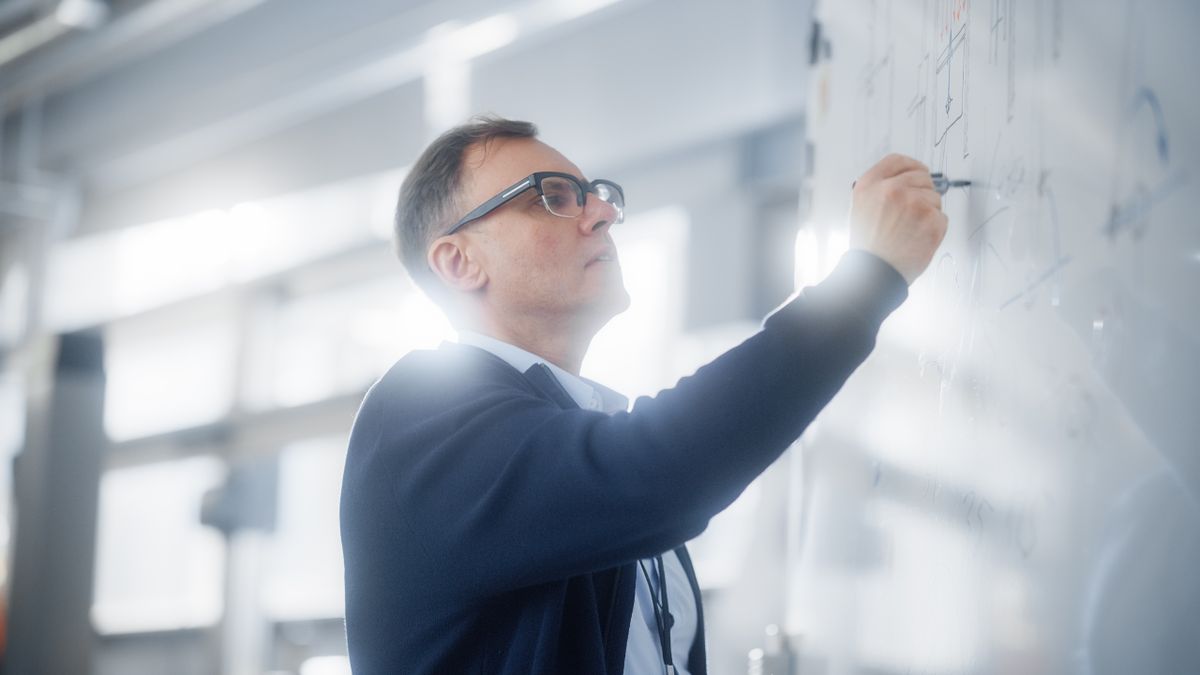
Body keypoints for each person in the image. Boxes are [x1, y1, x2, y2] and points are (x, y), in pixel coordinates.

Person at [339, 115, 948, 674]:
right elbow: (658, 470)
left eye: (593, 193)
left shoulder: (574, 427)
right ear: (458, 262)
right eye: (551, 197)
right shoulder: (418, 419)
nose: (601, 211)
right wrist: (866, 279)